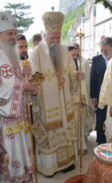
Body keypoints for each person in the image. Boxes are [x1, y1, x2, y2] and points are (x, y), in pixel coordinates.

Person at [30, 10, 84, 176]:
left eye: (58, 37)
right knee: (51, 132)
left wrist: (76, 75)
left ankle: (66, 162)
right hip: (48, 104)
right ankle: (50, 167)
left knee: (66, 127)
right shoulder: (36, 53)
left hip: (64, 101)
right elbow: (34, 78)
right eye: (52, 37)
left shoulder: (63, 49)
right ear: (45, 34)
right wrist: (39, 82)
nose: (55, 41)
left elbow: (70, 70)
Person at [0, 12, 40, 183]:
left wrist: (28, 81)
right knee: (11, 160)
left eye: (14, 34)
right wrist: (22, 86)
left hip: (21, 120)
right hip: (5, 123)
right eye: (9, 34)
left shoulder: (14, 55)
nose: (13, 38)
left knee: (23, 156)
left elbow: (21, 85)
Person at [68, 45, 94, 153]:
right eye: (72, 55)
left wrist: (84, 97)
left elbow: (84, 83)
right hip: (69, 102)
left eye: (76, 55)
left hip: (79, 100)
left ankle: (80, 145)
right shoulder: (65, 67)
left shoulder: (79, 64)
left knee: (80, 124)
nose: (74, 57)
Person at [90, 37, 112, 144]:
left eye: (106, 50)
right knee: (100, 118)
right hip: (100, 95)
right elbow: (93, 78)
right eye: (102, 50)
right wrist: (93, 96)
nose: (103, 52)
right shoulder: (96, 59)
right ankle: (101, 140)